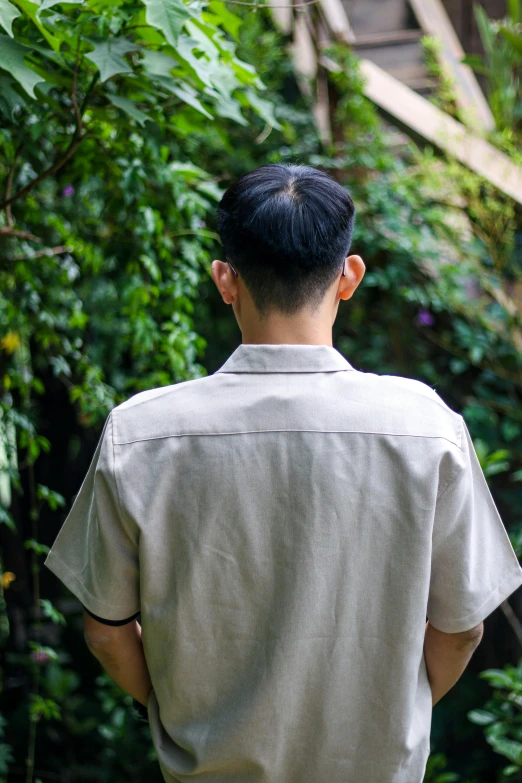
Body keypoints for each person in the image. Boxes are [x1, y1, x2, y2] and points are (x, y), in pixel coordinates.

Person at [44, 163, 522, 783]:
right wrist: (390, 718)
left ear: (225, 279)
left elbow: (107, 633)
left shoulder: (142, 433)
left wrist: (184, 716)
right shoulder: (425, 428)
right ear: (349, 277)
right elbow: (462, 629)